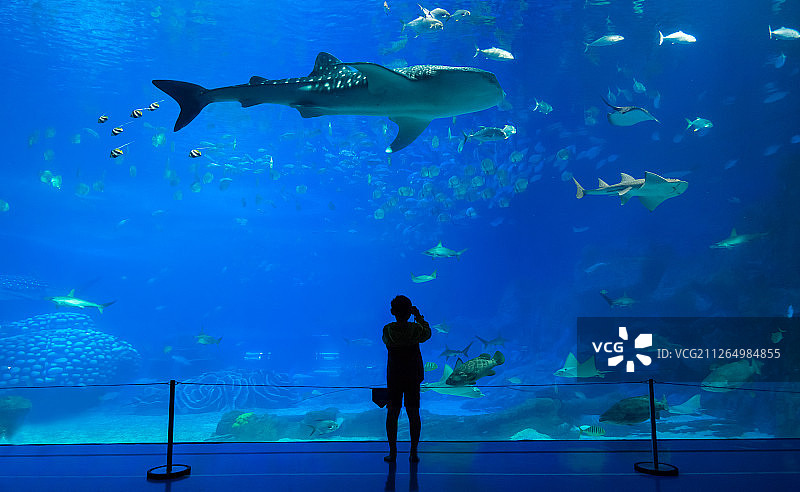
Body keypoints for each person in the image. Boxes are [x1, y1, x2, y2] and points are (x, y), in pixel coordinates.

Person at [382, 295, 431, 463]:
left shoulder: (388, 329)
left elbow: (385, 341)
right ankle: (413, 452)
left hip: (394, 377)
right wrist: (418, 316)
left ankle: (393, 452)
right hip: (412, 377)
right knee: (413, 413)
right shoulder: (415, 329)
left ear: (392, 312)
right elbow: (427, 334)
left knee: (392, 413)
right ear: (410, 311)